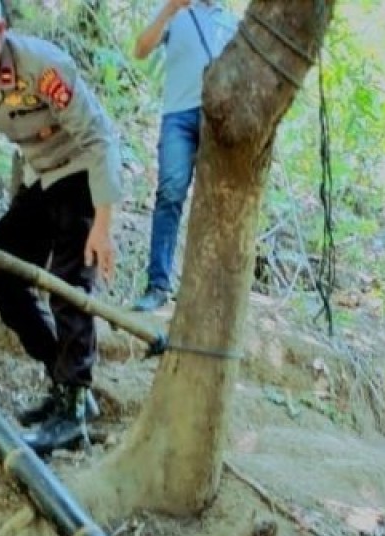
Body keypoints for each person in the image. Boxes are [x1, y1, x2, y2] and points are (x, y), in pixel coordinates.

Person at [0, 0, 123, 454]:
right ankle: (63, 379)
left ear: (1, 28)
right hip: (40, 176)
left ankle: (74, 409)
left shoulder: (44, 66)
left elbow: (99, 138)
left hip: (79, 168)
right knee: (3, 277)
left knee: (67, 282)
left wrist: (103, 222)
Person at [129, 0, 237, 312]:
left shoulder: (230, 21)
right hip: (178, 115)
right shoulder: (175, 12)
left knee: (217, 202)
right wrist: (169, 9)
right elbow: (140, 49)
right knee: (170, 193)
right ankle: (157, 286)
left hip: (217, 118)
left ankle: (207, 292)